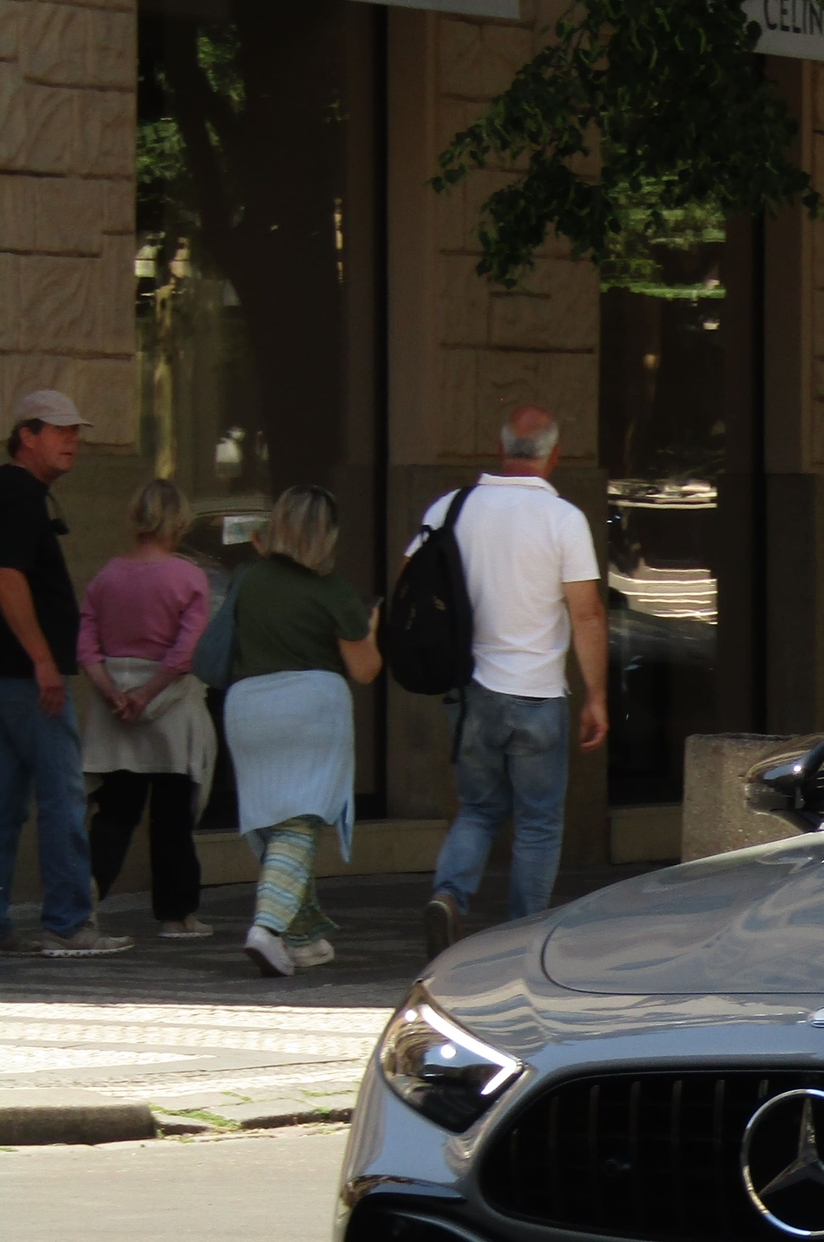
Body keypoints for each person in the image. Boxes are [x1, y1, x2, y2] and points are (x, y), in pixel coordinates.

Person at [416, 404, 609, 958]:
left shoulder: (449, 508)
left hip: (468, 693)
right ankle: (524, 937)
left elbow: (412, 583)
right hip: (538, 695)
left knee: (477, 808)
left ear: (501, 451)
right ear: (554, 457)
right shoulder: (563, 520)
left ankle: (449, 896)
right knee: (539, 821)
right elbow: (588, 612)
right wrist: (595, 695)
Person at [221, 486, 381, 978]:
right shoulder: (333, 591)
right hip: (310, 709)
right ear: (327, 535)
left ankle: (305, 938)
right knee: (300, 822)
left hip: (247, 708)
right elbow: (366, 669)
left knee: (276, 824)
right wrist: (371, 627)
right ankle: (268, 927)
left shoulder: (248, 581)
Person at [0, 388, 131, 957]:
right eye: (59, 429)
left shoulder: (20, 493)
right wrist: (44, 661)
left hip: (12, 677)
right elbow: (8, 579)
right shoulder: (21, 493)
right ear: (26, 435)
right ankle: (69, 922)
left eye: (76, 429)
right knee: (61, 795)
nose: (72, 439)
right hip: (28, 679)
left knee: (6, 803)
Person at [79, 478, 217, 939]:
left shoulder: (106, 576)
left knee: (115, 813)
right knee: (173, 818)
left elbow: (86, 644)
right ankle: (177, 915)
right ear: (177, 520)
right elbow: (185, 651)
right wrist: (148, 692)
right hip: (170, 708)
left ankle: (85, 901)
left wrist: (111, 690)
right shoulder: (188, 577)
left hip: (112, 707)